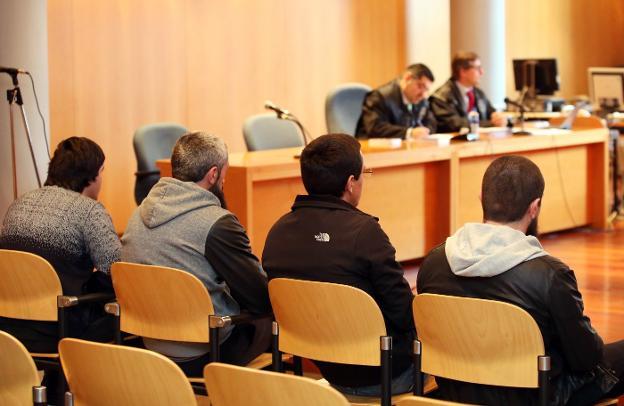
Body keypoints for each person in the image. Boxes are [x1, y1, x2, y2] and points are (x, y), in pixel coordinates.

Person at [417, 155, 624, 405]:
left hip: (456, 391)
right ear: (534, 207)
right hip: (533, 397)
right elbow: (587, 358)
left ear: (482, 199)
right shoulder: (550, 274)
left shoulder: (433, 263)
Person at [262, 133, 415, 396]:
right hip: (383, 375)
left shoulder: (278, 232)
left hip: (324, 367)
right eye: (363, 173)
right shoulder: (365, 233)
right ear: (350, 183)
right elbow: (403, 313)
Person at [121, 131, 271, 376]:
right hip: (204, 351)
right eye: (225, 174)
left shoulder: (136, 214)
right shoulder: (217, 223)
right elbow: (260, 296)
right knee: (271, 316)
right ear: (213, 174)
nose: (224, 180)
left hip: (150, 344)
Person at [0, 136, 120, 351]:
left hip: (9, 324)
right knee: (130, 317)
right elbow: (117, 271)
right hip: (59, 325)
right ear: (91, 176)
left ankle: (56, 384)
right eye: (102, 171)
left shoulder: (18, 204)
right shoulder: (89, 211)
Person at [430, 51, 507, 133]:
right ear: (463, 71)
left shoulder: (478, 93)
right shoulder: (441, 97)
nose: (482, 72)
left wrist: (499, 118)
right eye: (477, 68)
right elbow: (454, 123)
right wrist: (490, 123)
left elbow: (491, 113)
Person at [355, 63, 437, 139]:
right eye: (420, 86)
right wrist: (409, 133)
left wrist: (425, 131)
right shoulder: (379, 97)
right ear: (407, 78)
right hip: (371, 149)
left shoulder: (420, 99)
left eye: (426, 89)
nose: (423, 94)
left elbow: (430, 122)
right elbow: (375, 128)